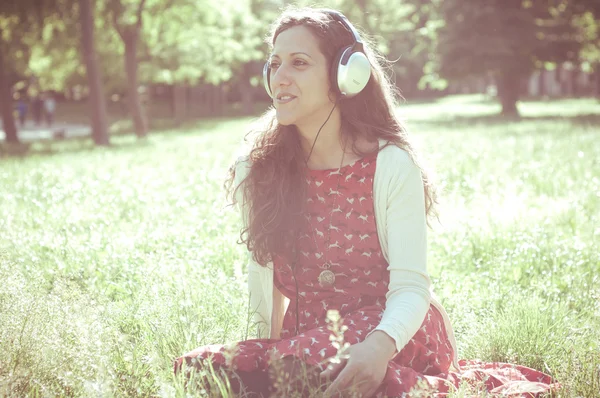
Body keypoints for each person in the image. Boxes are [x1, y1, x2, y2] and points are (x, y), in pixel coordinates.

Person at [174, 7, 558, 397]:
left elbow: (411, 289)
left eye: (299, 63)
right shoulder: (257, 169)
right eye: (274, 64)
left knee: (314, 370)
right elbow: (265, 289)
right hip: (306, 344)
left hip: (393, 334)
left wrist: (376, 348)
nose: (280, 77)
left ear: (347, 75)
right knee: (202, 368)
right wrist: (258, 357)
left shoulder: (391, 165)